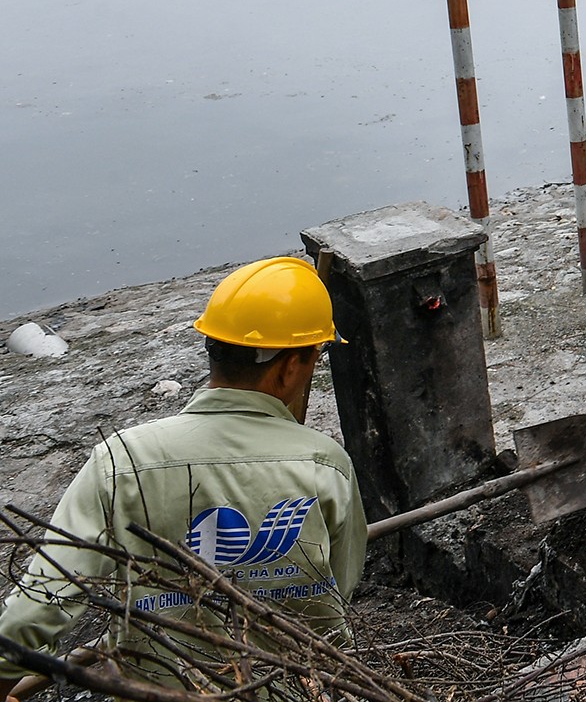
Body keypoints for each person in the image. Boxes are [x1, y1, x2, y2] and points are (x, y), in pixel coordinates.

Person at [0, 259, 366, 695]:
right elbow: (337, 592)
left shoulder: (122, 461)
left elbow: (40, 606)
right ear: (290, 368)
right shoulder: (326, 464)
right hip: (293, 688)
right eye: (314, 359)